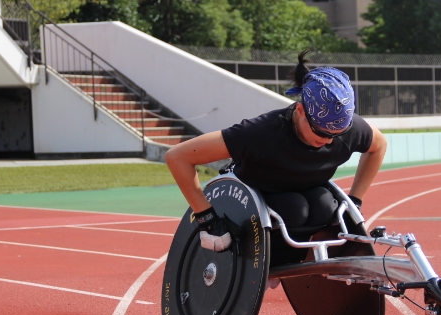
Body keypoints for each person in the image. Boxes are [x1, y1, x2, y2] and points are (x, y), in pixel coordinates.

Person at [165, 50, 387, 252]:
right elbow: (178, 157)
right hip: (260, 193)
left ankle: (300, 257)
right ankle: (275, 257)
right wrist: (207, 218)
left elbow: (379, 146)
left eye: (337, 134)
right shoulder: (261, 132)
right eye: (321, 133)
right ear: (300, 111)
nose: (329, 141)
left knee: (326, 206)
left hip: (308, 189)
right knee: (295, 208)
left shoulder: (347, 129)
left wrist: (356, 200)